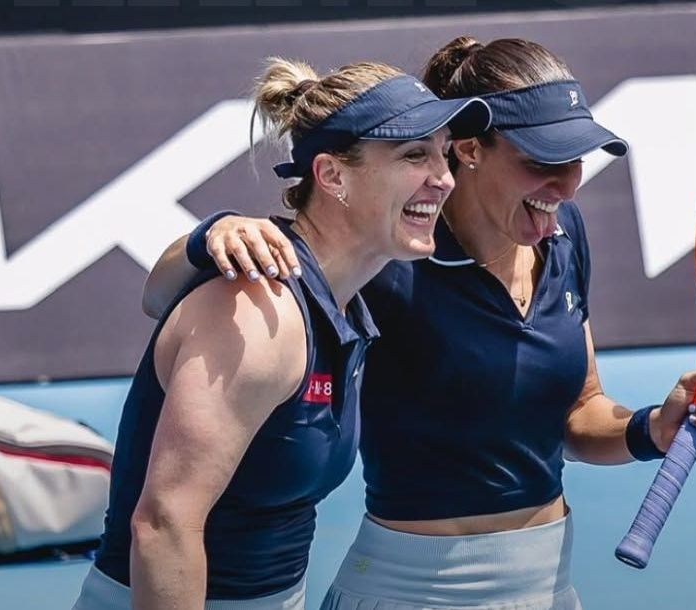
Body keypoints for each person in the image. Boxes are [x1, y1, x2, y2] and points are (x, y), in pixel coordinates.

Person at [145, 37, 696, 610]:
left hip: (548, 587)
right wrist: (209, 234)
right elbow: (279, 258)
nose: (566, 184)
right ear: (469, 149)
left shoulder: (564, 238)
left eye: (577, 158)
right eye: (543, 159)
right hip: (409, 589)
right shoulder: (389, 257)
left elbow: (578, 411)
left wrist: (653, 427)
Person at [73, 57, 491, 610]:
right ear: (333, 175)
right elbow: (164, 523)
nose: (442, 177)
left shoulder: (344, 300)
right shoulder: (255, 310)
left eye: (443, 153)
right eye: (415, 155)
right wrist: (203, 237)